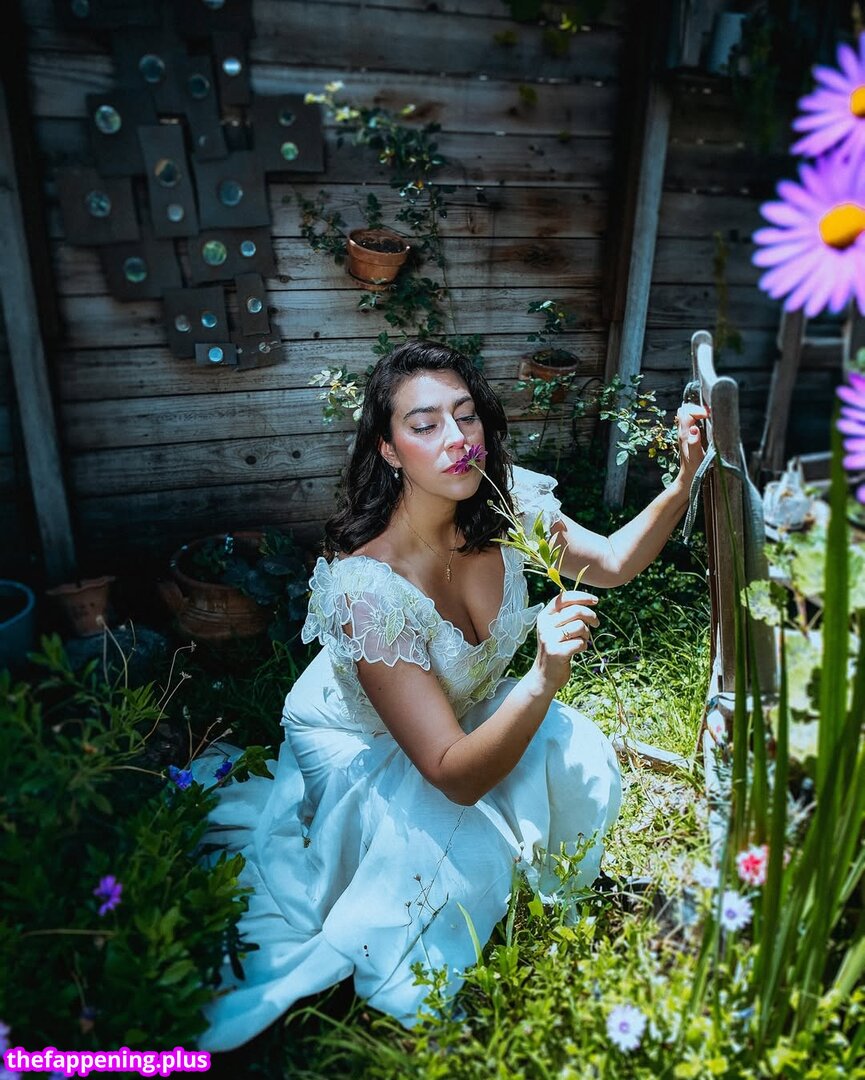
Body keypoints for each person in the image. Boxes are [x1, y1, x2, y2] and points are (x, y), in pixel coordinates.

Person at [195, 340, 707, 1051]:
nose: (456, 438)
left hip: (454, 712)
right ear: (389, 450)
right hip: (364, 740)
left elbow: (614, 564)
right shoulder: (366, 591)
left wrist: (684, 478)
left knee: (575, 751)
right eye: (424, 424)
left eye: (466, 416)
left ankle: (553, 887)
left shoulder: (508, 507)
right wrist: (541, 676)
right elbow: (452, 775)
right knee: (464, 841)